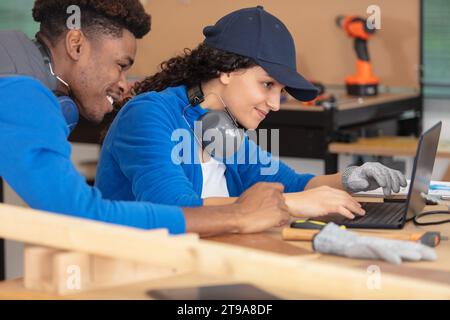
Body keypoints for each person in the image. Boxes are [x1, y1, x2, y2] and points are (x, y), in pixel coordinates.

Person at [0, 1, 290, 237]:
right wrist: (238, 215)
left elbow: (278, 177)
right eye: (120, 66)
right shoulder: (20, 91)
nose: (124, 84)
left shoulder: (212, 124)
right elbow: (82, 216)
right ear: (76, 44)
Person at [96, 6, 407, 225]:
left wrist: (350, 180)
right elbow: (175, 208)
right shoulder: (149, 115)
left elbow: (289, 183)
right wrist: (291, 206)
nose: (275, 103)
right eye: (267, 84)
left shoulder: (215, 125)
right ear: (225, 71)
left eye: (280, 90)